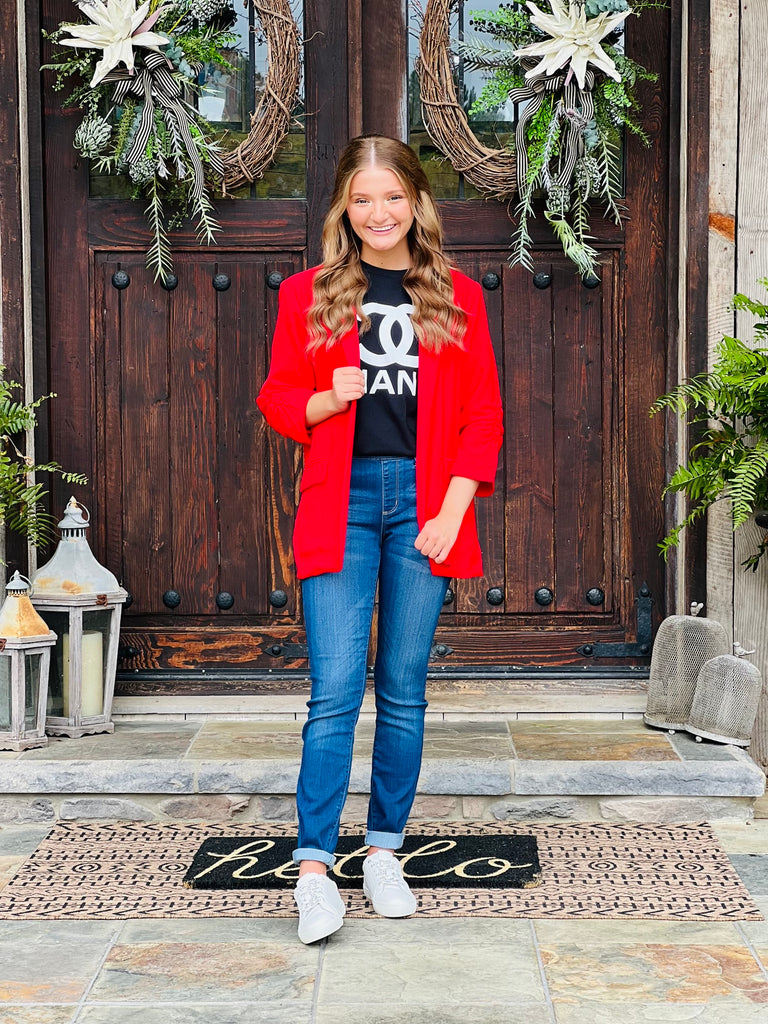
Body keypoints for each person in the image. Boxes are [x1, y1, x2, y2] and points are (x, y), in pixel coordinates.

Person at [257, 135, 503, 944]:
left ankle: (385, 852)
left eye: (392, 196)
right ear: (343, 208)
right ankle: (314, 872)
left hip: (426, 504)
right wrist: (326, 400)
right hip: (343, 501)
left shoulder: (457, 297)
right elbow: (277, 397)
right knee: (334, 690)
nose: (378, 213)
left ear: (416, 202)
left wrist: (452, 512)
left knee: (403, 688)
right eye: (362, 199)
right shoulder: (309, 293)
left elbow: (483, 417)